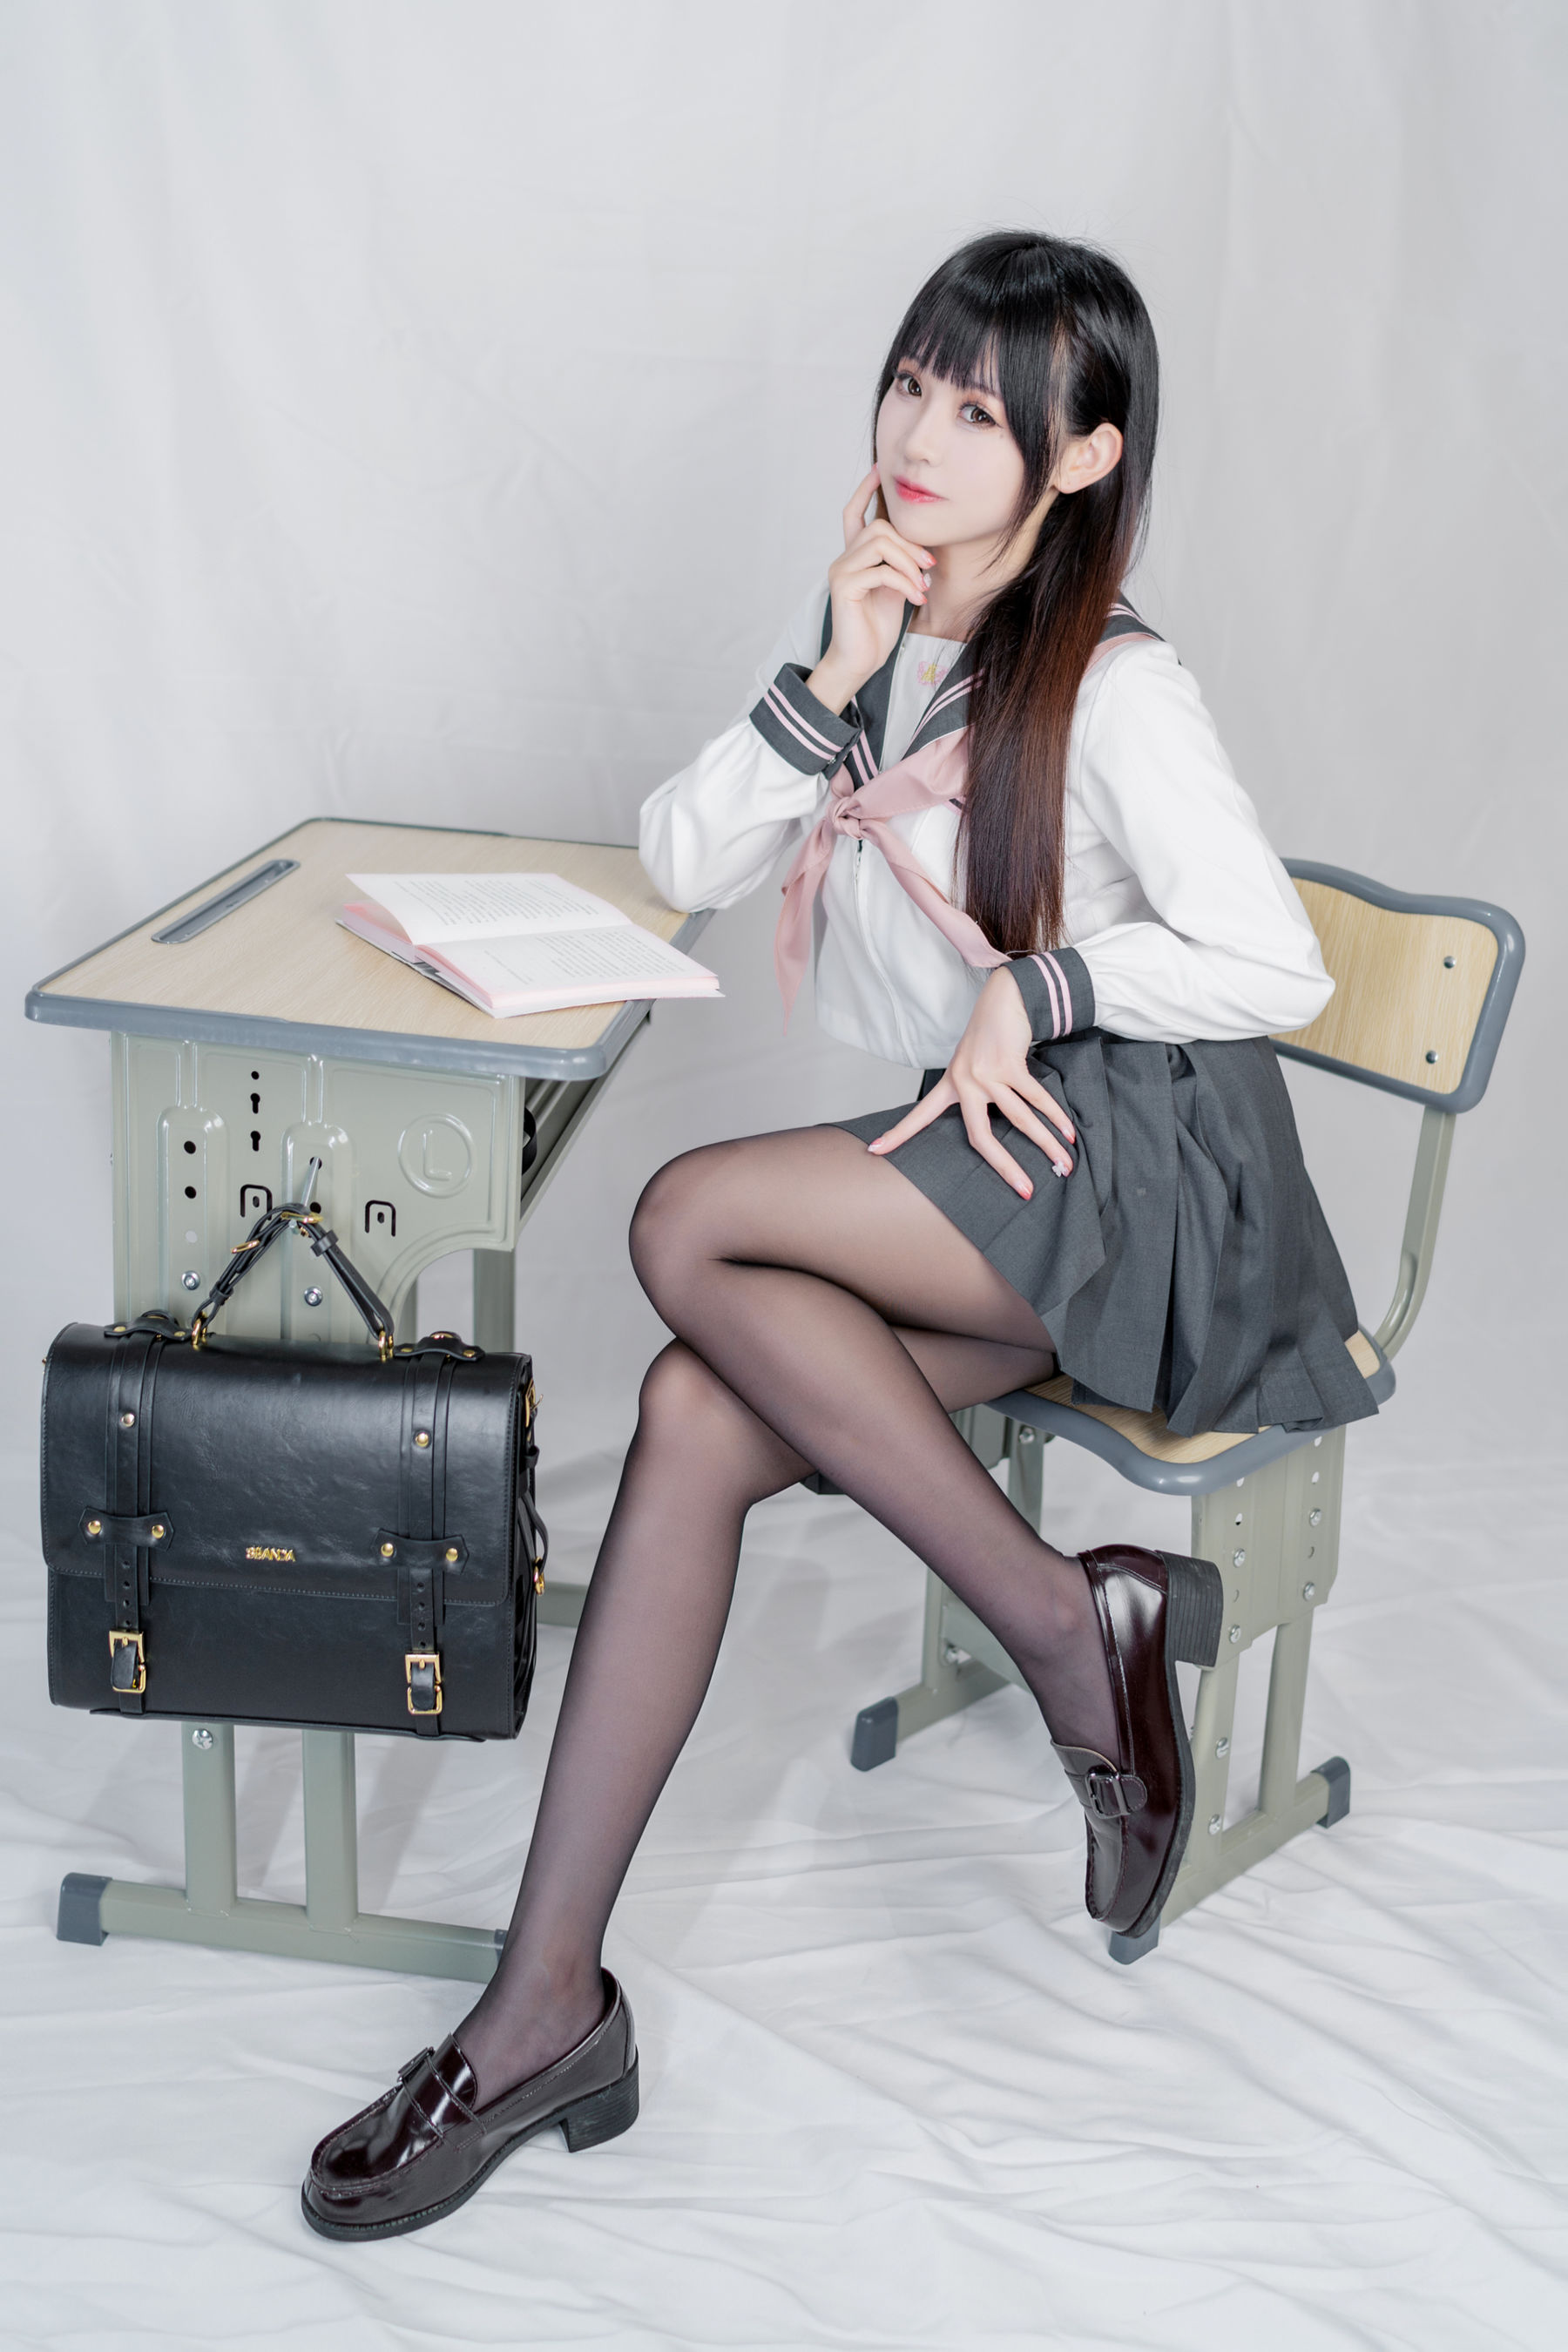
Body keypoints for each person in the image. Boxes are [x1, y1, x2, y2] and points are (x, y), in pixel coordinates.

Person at [301, 230, 1375, 2240]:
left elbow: (1278, 963)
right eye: (910, 383)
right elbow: (679, 861)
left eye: (981, 409)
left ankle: (1060, 1630)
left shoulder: (1118, 686)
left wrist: (1042, 986)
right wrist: (828, 672)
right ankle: (545, 2010)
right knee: (696, 1412)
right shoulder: (882, 637)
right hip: (990, 1179)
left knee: (689, 1216)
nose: (920, 433)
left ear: (1081, 458)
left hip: (1137, 1177)